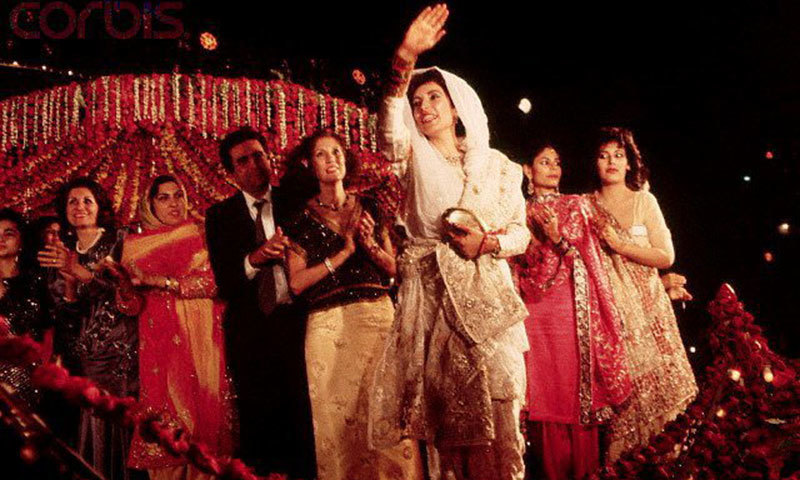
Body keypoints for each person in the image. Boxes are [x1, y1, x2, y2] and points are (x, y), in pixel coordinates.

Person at [369, 5, 531, 479]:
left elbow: (520, 233)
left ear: (457, 105)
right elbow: (388, 128)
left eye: (433, 97)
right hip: (434, 301)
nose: (424, 108)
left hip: (491, 301)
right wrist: (405, 58)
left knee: (504, 410)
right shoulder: (411, 158)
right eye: (417, 103)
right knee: (447, 425)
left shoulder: (496, 165)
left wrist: (488, 244)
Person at [282, 131, 423, 480]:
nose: (332, 159)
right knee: (337, 421)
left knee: (387, 411)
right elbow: (296, 283)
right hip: (328, 325)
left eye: (337, 152)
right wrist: (342, 254)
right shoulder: (299, 220)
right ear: (309, 164)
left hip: (376, 314)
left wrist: (371, 246)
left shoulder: (370, 207)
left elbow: (394, 268)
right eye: (321, 154)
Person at [513, 143, 632, 479]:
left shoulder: (575, 205)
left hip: (570, 314)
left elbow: (585, 262)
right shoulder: (516, 210)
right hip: (532, 315)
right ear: (527, 169)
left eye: (558, 162)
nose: (553, 167)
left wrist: (556, 238)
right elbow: (516, 262)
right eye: (544, 161)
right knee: (541, 399)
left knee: (574, 400)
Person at [204, 127, 315, 478]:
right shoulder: (220, 216)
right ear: (231, 172)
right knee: (260, 426)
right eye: (243, 160)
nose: (254, 165)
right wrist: (255, 258)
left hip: (301, 324)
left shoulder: (298, 200)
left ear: (270, 158)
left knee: (305, 418)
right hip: (252, 333)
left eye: (259, 155)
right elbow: (225, 281)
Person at [587, 127, 698, 460]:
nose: (611, 162)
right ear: (593, 162)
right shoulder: (585, 207)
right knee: (626, 405)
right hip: (611, 319)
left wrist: (621, 245)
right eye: (604, 155)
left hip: (651, 314)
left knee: (666, 408)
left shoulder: (643, 200)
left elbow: (665, 256)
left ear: (629, 162)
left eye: (618, 155)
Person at [121, 175, 234, 480]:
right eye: (164, 197)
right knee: (169, 428)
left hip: (205, 341)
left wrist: (161, 282)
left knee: (206, 431)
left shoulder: (203, 234)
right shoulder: (133, 247)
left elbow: (214, 284)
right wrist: (123, 286)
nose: (173, 203)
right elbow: (128, 306)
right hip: (160, 348)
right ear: (150, 204)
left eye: (178, 196)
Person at [37, 177, 141, 480]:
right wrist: (69, 285)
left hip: (121, 354)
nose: (79, 207)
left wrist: (80, 272)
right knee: (87, 430)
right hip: (83, 357)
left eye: (87, 201)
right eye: (72, 201)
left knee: (120, 424)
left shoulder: (120, 242)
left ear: (99, 207)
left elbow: (126, 297)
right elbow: (65, 316)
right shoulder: (59, 251)